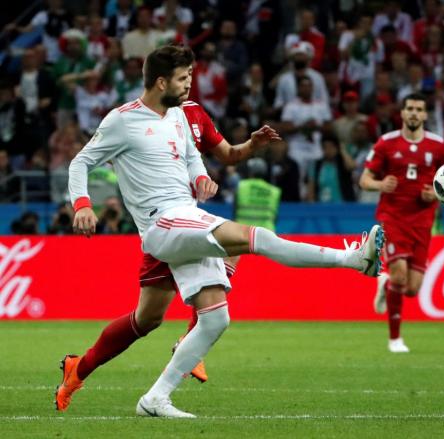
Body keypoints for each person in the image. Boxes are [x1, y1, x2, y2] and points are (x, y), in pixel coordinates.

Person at [56, 45, 383, 418]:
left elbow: (194, 161)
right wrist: (82, 205)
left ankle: (153, 399)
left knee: (211, 318)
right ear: (161, 81)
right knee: (248, 238)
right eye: (183, 79)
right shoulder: (122, 120)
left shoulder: (180, 116)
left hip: (186, 215)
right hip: (162, 223)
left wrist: (200, 177)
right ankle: (354, 258)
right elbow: (81, 162)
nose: (189, 85)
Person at [359, 93, 444, 353]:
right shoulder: (386, 143)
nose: (413, 113)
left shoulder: (439, 146)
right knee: (399, 275)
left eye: (418, 109)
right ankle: (395, 340)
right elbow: (364, 180)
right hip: (393, 218)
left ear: (425, 115)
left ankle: (384, 284)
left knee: (411, 289)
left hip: (423, 222)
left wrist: (435, 193)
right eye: (409, 108)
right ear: (402, 113)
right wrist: (380, 184)